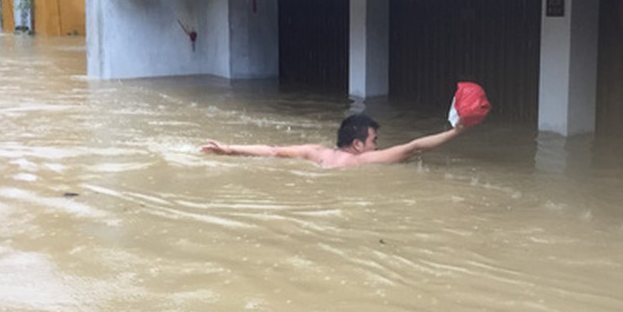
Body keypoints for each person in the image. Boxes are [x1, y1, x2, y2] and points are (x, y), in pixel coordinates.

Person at [199, 113, 469, 168]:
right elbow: (414, 147)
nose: (376, 145)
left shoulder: (315, 152)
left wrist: (229, 149)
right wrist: (456, 131)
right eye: (374, 140)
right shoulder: (362, 160)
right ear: (357, 145)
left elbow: (271, 151)